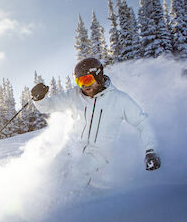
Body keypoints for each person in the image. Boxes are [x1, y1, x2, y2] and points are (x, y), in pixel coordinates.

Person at [31, 57, 160, 187]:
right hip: (71, 146)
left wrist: (150, 150)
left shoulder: (119, 99)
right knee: (52, 170)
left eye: (87, 79)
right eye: (80, 81)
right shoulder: (74, 95)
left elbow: (142, 123)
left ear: (98, 76)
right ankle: (46, 200)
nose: (84, 85)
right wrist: (39, 99)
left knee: (78, 172)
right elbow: (49, 106)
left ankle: (80, 202)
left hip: (99, 153)